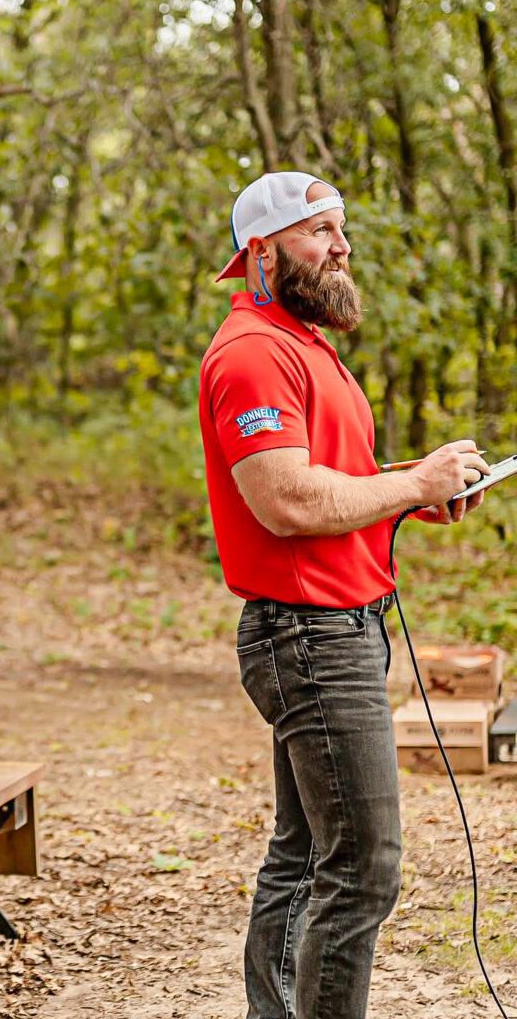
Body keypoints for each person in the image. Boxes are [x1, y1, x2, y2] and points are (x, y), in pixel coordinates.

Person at [198, 170, 489, 1019]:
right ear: (262, 251)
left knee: (305, 855)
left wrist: (412, 485)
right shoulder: (253, 352)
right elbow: (286, 501)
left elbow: (331, 482)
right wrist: (409, 486)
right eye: (320, 230)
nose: (341, 246)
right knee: (363, 863)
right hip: (311, 637)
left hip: (338, 628)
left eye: (341, 229)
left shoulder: (303, 345)